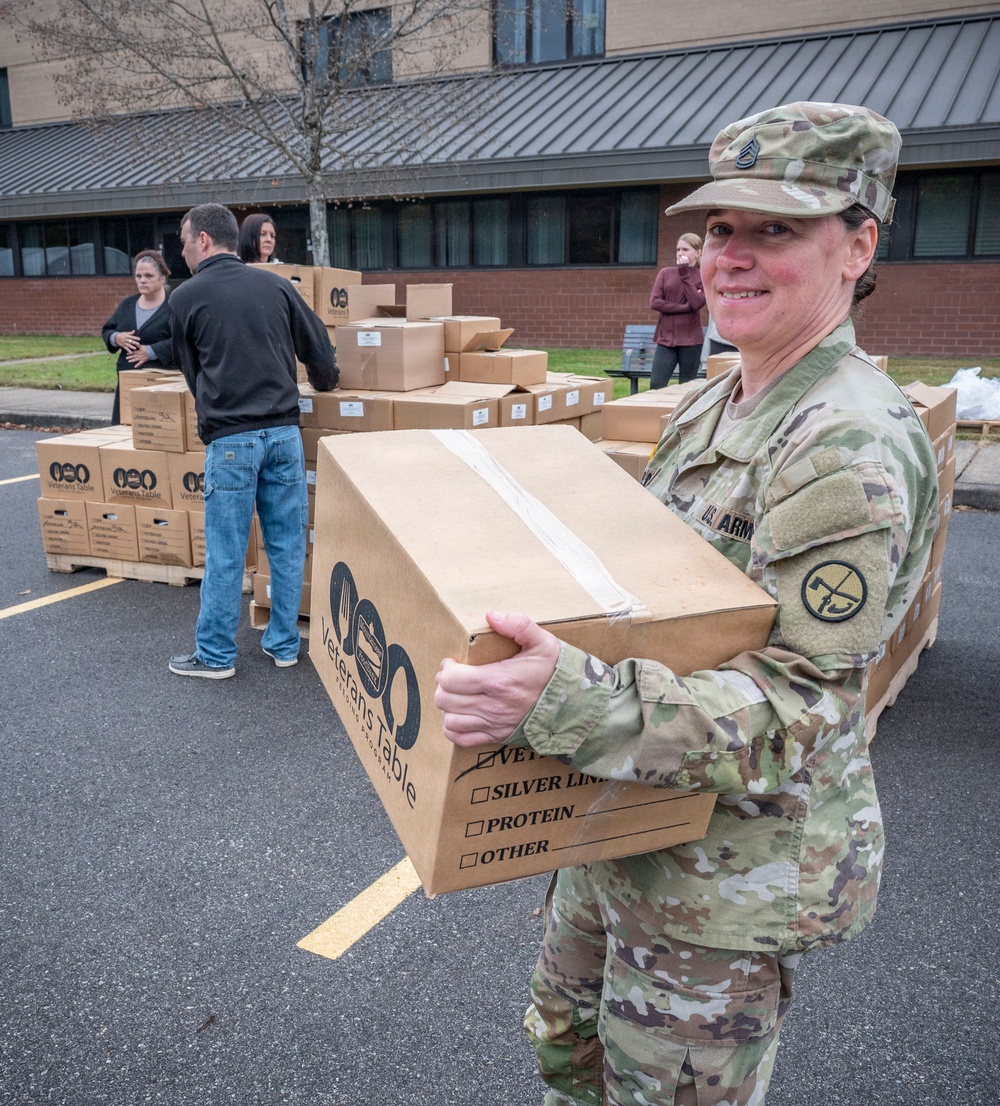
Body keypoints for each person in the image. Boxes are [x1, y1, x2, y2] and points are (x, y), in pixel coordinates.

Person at [433, 102, 940, 1105]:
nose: (730, 258)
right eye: (719, 230)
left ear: (859, 245)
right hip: (627, 816)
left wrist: (558, 697)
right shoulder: (719, 395)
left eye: (776, 229)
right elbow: (654, 596)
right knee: (566, 1051)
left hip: (723, 876)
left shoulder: (846, 443)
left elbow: (794, 707)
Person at [167, 203, 337, 679]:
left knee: (226, 551)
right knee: (286, 545)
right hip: (285, 434)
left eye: (183, 241)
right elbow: (319, 348)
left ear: (203, 240)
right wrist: (327, 383)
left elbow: (191, 371)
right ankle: (283, 643)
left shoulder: (185, 298)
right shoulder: (277, 285)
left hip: (232, 441)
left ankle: (216, 657)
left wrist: (212, 414)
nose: (181, 252)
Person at [101, 249, 174, 424]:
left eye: (148, 276)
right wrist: (116, 338)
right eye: (138, 276)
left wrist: (151, 351)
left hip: (160, 386)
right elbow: (107, 330)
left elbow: (183, 341)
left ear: (162, 277)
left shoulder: (174, 306)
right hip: (128, 386)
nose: (142, 280)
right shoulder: (127, 305)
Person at [648, 233, 706, 388]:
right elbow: (655, 302)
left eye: (685, 249)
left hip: (691, 341)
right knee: (656, 384)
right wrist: (684, 308)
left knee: (686, 387)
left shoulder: (703, 276)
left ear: (698, 252)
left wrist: (685, 274)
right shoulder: (665, 273)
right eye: (678, 249)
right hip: (666, 339)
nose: (680, 253)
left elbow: (696, 303)